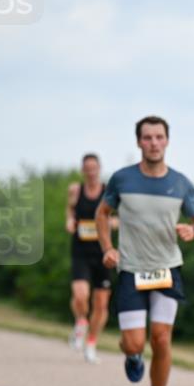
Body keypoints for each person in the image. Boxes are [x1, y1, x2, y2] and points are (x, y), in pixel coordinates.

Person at [95, 116, 194, 386]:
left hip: (166, 269)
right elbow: (102, 214)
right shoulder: (122, 179)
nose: (154, 143)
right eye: (147, 138)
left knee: (161, 339)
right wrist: (107, 248)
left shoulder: (181, 183)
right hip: (131, 269)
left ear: (167, 141)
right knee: (134, 343)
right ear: (138, 142)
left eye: (159, 137)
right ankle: (132, 357)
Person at [66, 153, 116, 363]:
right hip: (81, 251)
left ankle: (92, 343)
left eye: (94, 168)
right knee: (79, 295)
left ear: (100, 169)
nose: (91, 172)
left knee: (101, 305)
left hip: (104, 253)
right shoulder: (75, 190)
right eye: (87, 168)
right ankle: (81, 322)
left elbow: (120, 217)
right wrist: (69, 221)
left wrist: (112, 223)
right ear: (82, 170)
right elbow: (70, 211)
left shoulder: (109, 192)